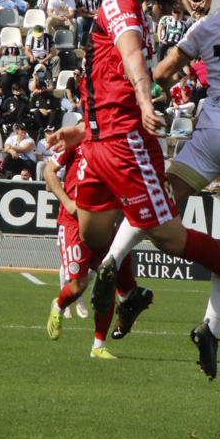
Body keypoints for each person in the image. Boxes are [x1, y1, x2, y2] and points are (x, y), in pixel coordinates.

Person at [44, 0, 220, 380]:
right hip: (98, 142)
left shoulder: (122, 10)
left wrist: (143, 99)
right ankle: (126, 291)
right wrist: (83, 127)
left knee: (169, 238)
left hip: (126, 146)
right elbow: (112, 76)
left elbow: (132, 59)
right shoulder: (128, 10)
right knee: (94, 236)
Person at [45, 139, 150, 358]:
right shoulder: (77, 141)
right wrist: (66, 201)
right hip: (73, 223)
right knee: (78, 287)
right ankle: (59, 305)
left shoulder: (118, 147)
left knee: (107, 279)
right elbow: (49, 172)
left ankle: (98, 346)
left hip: (103, 225)